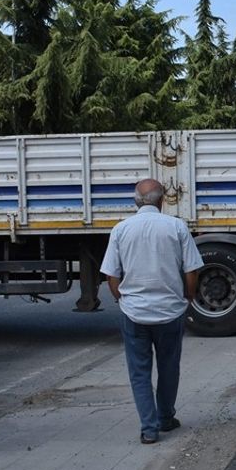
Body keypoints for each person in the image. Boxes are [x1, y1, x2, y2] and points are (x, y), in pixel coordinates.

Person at [100, 179, 203, 445]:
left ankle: (149, 428)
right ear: (162, 200)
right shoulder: (177, 227)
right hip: (170, 311)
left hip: (134, 312)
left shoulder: (121, 229)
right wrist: (187, 297)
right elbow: (192, 271)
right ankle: (166, 417)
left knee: (139, 372)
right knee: (169, 367)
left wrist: (122, 299)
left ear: (136, 201)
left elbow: (112, 275)